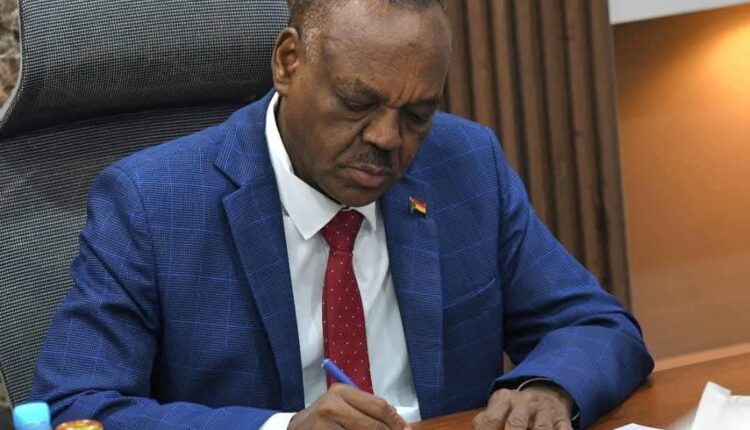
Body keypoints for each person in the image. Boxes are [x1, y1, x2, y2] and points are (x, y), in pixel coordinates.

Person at [30, 0, 653, 429]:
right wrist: (282, 429)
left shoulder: (463, 164)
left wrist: (546, 386)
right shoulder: (151, 201)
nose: (387, 138)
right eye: (358, 103)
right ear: (288, 62)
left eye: (417, 115)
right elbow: (75, 407)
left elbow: (596, 325)